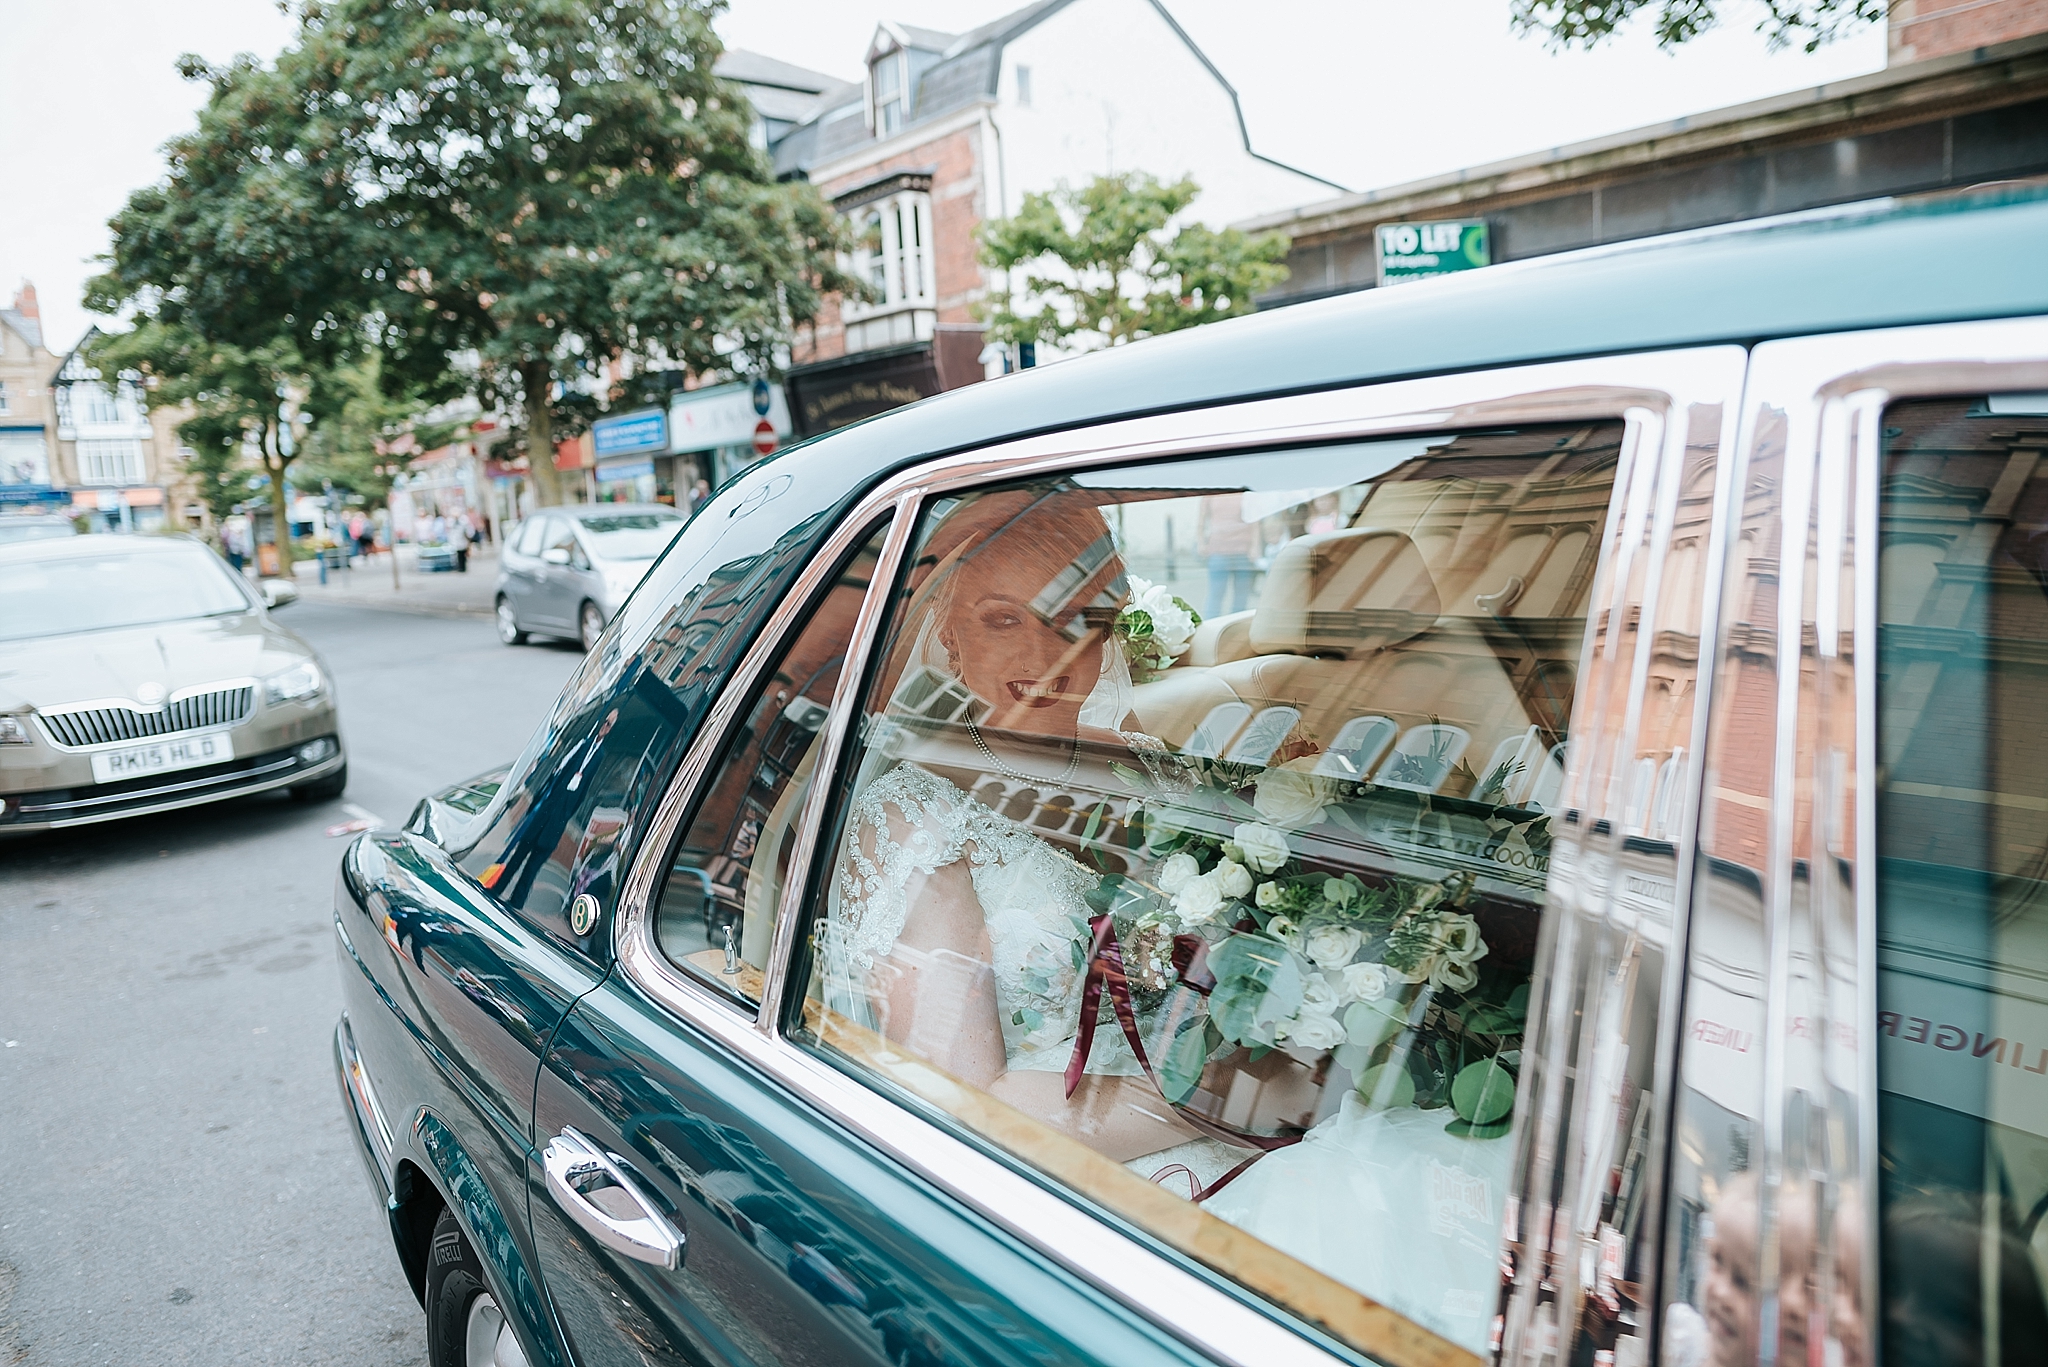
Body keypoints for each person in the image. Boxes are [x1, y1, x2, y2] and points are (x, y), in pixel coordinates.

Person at [824, 490, 1242, 1177]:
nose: (1045, 652)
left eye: (1077, 619)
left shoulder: (1156, 771)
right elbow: (965, 1105)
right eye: (1002, 619)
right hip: (1050, 1180)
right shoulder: (918, 821)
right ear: (950, 634)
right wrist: (1214, 1099)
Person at [1197, 491, 1260, 617]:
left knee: (1241, 595)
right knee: (1216, 593)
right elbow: (1202, 520)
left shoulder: (1246, 494)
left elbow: (1255, 522)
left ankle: (1235, 629)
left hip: (1243, 551)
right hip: (1218, 550)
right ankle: (1210, 627)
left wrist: (1255, 547)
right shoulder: (1211, 493)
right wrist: (1201, 542)